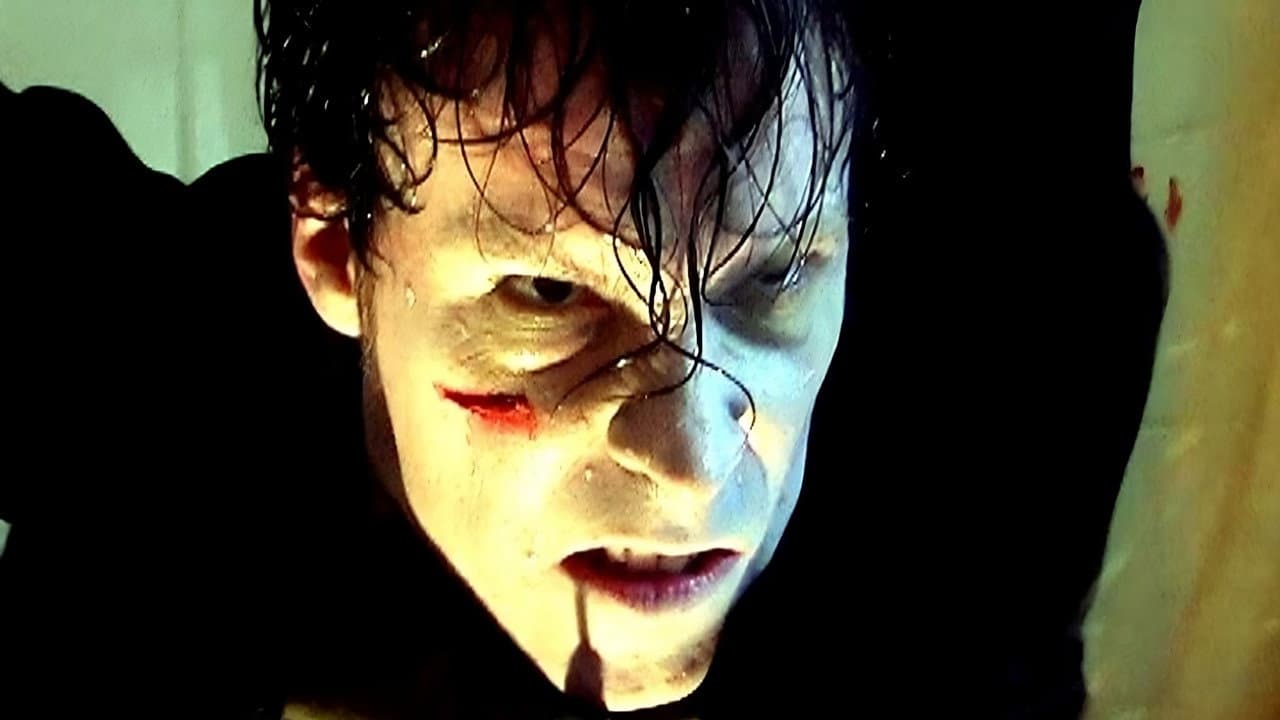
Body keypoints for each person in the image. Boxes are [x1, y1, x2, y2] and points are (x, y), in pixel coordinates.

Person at [0, 1, 1167, 718]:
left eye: (770, 277)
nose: (693, 469)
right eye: (547, 295)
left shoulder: (993, 407)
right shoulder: (130, 360)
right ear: (333, 242)